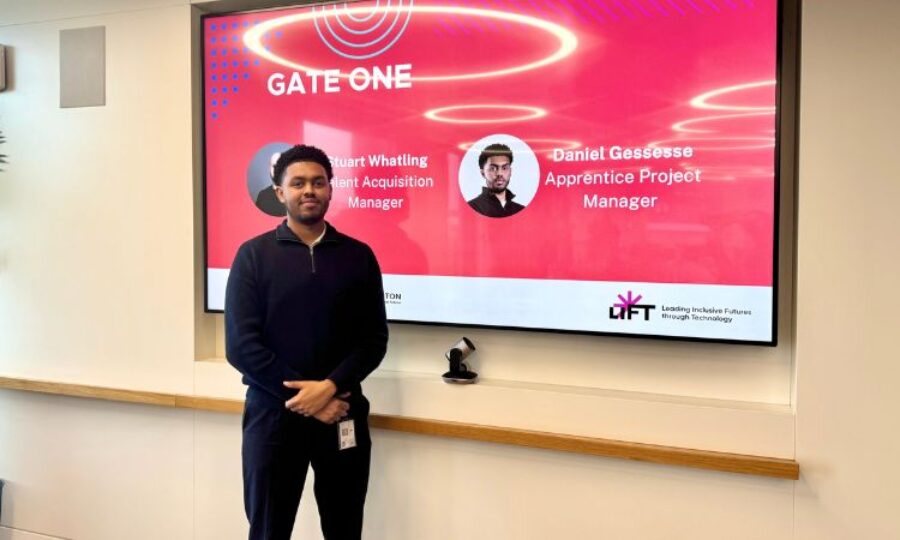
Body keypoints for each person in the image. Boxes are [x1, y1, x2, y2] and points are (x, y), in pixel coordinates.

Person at [225, 144, 388, 540]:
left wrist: (329, 390)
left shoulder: (358, 256)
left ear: (331, 190)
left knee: (345, 527)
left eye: (318, 182)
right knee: (268, 530)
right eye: (297, 183)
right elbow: (242, 346)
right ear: (280, 193)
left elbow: (373, 339)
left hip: (341, 412)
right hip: (274, 418)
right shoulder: (253, 256)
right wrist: (307, 400)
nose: (308, 190)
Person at [467, 143, 525, 218]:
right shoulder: (472, 208)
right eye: (492, 168)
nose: (499, 173)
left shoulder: (521, 210)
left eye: (504, 168)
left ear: (510, 171)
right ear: (483, 173)